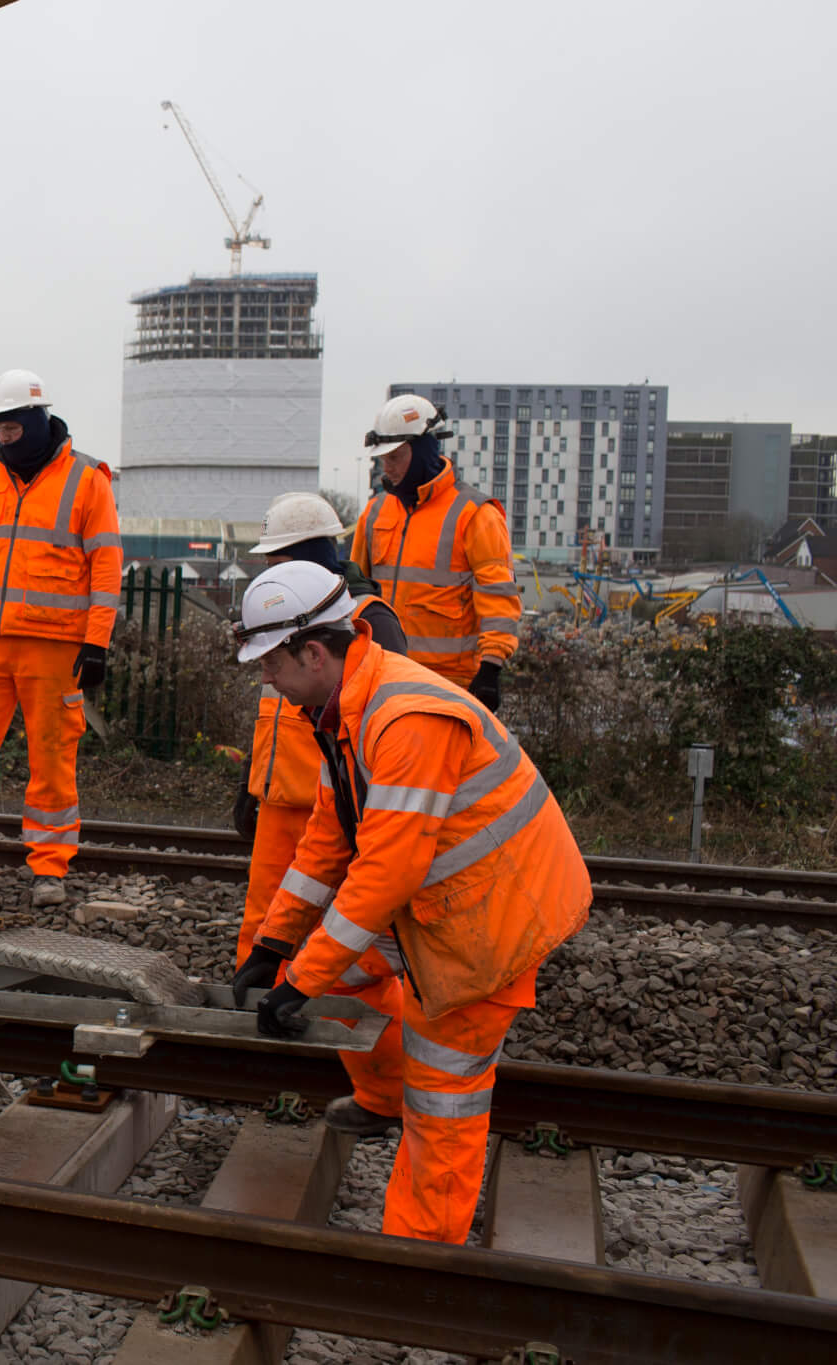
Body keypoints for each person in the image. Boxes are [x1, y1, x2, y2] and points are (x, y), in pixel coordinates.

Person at [231, 561, 591, 1243]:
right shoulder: (348, 704)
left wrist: (299, 980)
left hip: (487, 926)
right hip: (443, 907)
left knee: (443, 1101)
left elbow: (386, 872)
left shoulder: (403, 717)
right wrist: (275, 946)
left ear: (312, 652)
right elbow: (329, 836)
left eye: (270, 662)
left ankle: (419, 1260)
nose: (265, 679)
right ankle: (383, 1096)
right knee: (342, 967)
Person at [232, 495, 411, 1130]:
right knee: (264, 942)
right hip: (289, 800)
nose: (269, 567)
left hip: (337, 813)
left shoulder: (362, 619)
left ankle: (382, 1085)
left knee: (345, 963)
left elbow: (363, 734)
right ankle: (278, 1053)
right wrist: (251, 787)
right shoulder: (284, 618)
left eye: (278, 554)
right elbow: (280, 712)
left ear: (310, 552)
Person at [0, 369, 121, 909]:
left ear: (38, 420)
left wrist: (98, 642)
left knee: (52, 757)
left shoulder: (88, 480)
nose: (3, 435)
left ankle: (49, 868)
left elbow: (107, 565)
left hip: (54, 646)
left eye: (12, 425)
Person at [350, 395, 521, 712]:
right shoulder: (375, 513)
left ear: (423, 451)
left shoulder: (475, 514)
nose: (387, 467)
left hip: (450, 686)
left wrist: (491, 668)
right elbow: (356, 591)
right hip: (382, 678)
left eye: (396, 457)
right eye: (382, 458)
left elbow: (497, 598)